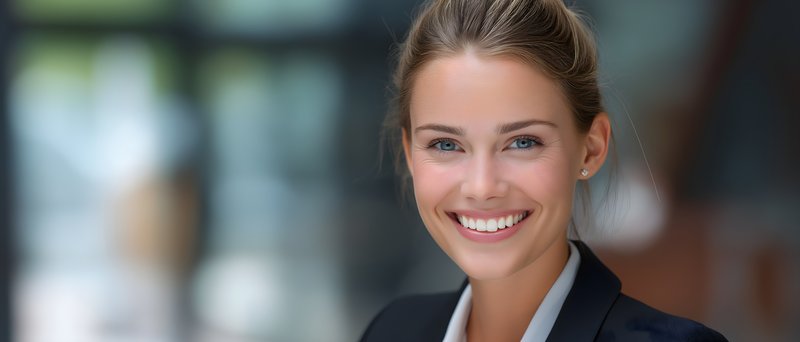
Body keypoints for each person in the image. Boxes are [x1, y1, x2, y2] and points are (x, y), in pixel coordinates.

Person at [360, 0, 727, 341]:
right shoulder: (391, 331)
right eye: (446, 144)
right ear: (409, 153)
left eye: (522, 142)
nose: (482, 186)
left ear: (591, 148)